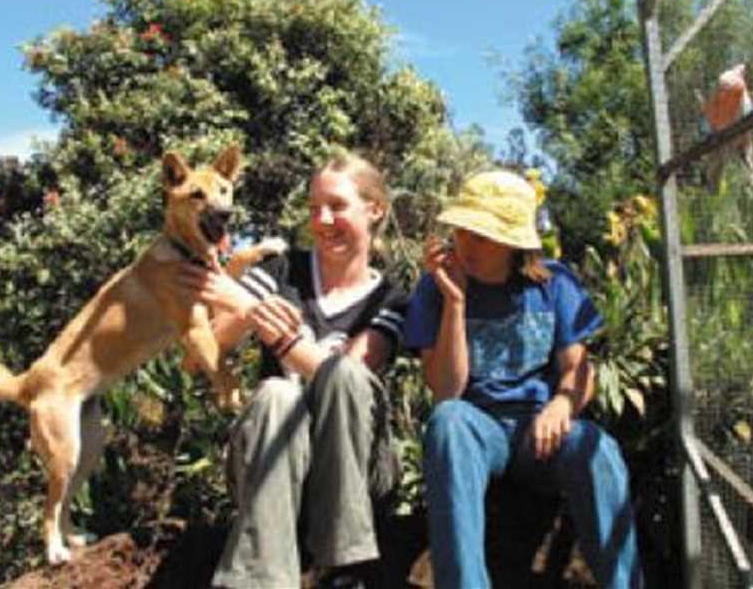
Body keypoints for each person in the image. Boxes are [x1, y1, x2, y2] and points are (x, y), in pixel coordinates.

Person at [404, 170, 643, 589]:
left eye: (482, 235)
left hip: (540, 430)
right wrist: (455, 303)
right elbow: (446, 392)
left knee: (599, 449)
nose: (466, 244)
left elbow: (577, 370)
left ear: (513, 242)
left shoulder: (554, 284)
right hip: (477, 430)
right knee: (448, 422)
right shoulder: (434, 290)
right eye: (462, 231)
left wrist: (563, 403)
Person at [179, 149, 406, 588]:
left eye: (337, 206)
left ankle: (344, 566)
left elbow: (349, 376)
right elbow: (196, 358)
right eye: (314, 208)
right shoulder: (280, 271)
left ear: (375, 209)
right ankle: (258, 580)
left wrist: (282, 338)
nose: (322, 220)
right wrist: (248, 308)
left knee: (341, 375)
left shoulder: (392, 299)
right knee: (277, 393)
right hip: (272, 464)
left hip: (356, 477)